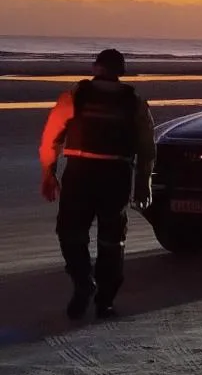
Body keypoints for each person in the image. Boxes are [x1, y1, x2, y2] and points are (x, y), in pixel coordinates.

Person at [39, 49, 155, 320]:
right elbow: (147, 147)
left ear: (95, 67)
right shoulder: (134, 100)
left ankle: (82, 280)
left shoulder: (75, 94)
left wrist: (48, 172)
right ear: (121, 72)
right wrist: (144, 183)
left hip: (80, 173)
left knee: (70, 233)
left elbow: (51, 137)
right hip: (117, 175)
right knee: (112, 240)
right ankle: (105, 302)